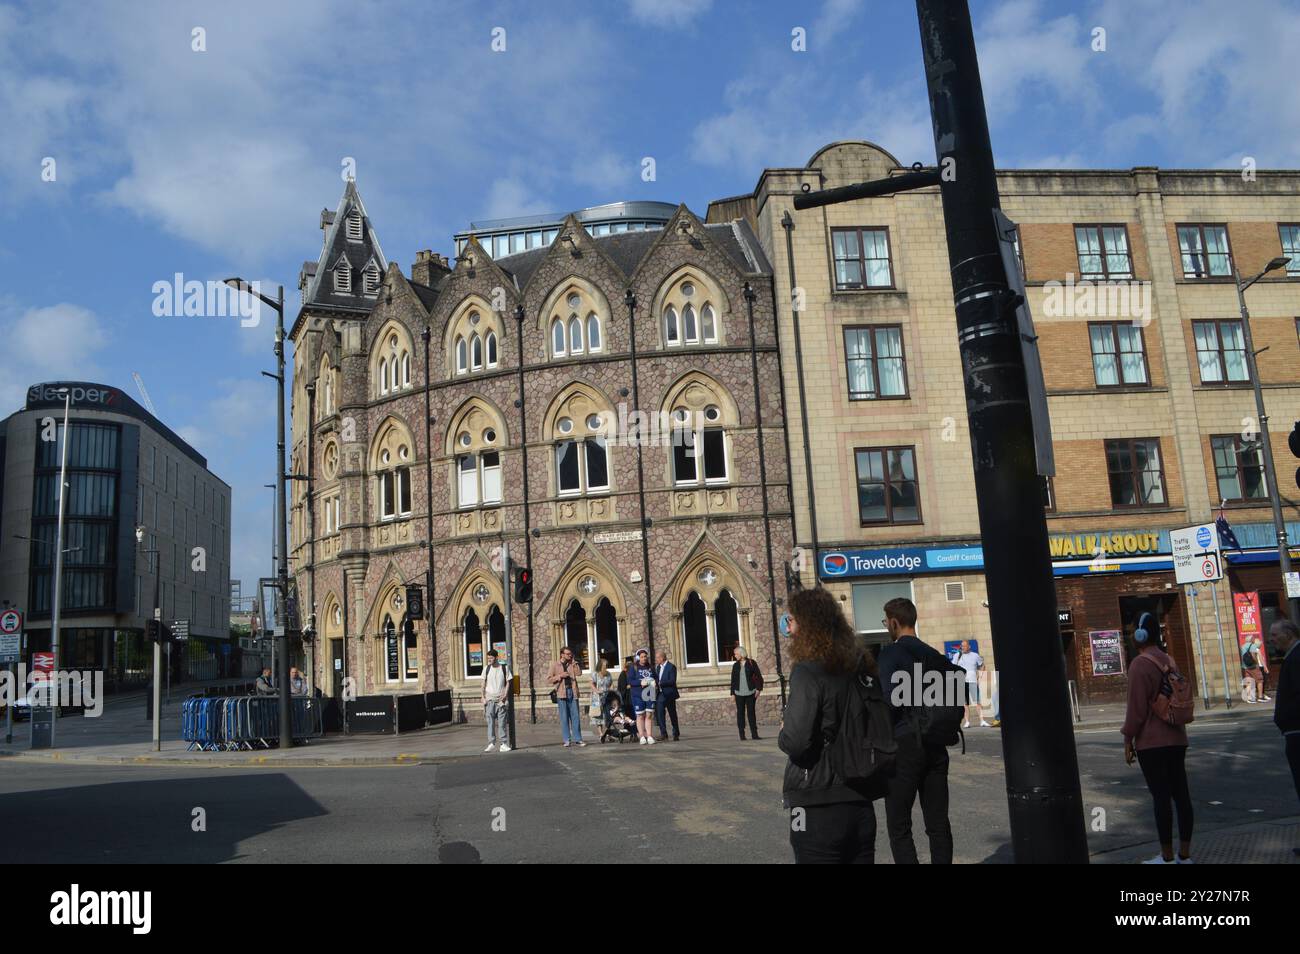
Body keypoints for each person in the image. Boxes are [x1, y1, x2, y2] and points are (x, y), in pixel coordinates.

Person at [779, 586, 884, 863]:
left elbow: (797, 741)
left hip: (815, 801)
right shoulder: (861, 667)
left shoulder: (807, 671)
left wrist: (783, 733)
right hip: (860, 799)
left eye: (791, 620)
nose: (788, 628)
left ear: (807, 624)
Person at [877, 597, 955, 865]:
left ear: (894, 622)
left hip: (904, 745)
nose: (886, 626)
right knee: (938, 823)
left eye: (886, 621)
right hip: (936, 743)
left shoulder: (890, 654)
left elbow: (888, 702)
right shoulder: (935, 655)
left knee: (899, 824)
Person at [1121, 611, 1193, 864]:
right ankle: (1185, 855)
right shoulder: (1169, 660)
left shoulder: (1139, 664)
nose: (1131, 635)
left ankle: (1167, 857)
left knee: (1161, 798)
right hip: (1177, 738)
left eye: (1133, 630)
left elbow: (1136, 710)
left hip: (1152, 742)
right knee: (1181, 796)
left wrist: (1128, 739)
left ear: (1141, 634)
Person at [1270, 618, 1300, 856]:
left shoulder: (1296, 658)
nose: (1272, 640)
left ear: (1288, 634)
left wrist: (1287, 719)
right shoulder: (1292, 656)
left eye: (1274, 635)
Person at [548, 646, 586, 747]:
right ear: (562, 654)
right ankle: (567, 740)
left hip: (572, 692)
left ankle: (578, 739)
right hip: (561, 693)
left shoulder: (572, 664)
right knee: (564, 717)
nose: (570, 655)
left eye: (570, 654)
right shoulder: (555, 665)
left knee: (575, 716)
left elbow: (579, 673)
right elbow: (549, 679)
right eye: (568, 654)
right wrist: (560, 676)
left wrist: (574, 663)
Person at [951, 640, 988, 727]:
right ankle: (967, 722)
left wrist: (980, 676)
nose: (963, 647)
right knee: (965, 704)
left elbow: (982, 665)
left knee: (978, 702)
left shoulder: (975, 655)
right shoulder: (957, 655)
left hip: (973, 681)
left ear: (969, 646)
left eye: (964, 646)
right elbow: (952, 667)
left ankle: (982, 721)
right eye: (962, 646)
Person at [730, 645, 764, 740]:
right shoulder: (735, 665)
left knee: (751, 713)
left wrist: (758, 689)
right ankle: (742, 734)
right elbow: (733, 680)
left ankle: (754, 734)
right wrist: (732, 694)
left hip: (751, 692)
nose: (735, 656)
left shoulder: (751, 663)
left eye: (736, 654)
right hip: (738, 693)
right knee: (740, 713)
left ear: (741, 654)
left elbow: (759, 677)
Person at [481, 648, 511, 753]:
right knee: (490, 723)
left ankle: (503, 744)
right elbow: (483, 683)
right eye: (488, 658)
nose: (489, 660)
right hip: (489, 699)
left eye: (491, 658)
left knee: (502, 723)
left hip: (501, 700)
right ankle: (491, 743)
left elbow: (508, 682)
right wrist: (482, 697)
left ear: (496, 657)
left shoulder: (504, 668)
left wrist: (505, 694)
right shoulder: (486, 669)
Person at [628, 648, 657, 744]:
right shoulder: (633, 667)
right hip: (638, 694)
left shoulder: (651, 667)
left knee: (649, 714)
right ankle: (641, 736)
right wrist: (640, 682)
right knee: (640, 715)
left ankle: (649, 736)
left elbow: (656, 678)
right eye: (642, 657)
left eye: (645, 657)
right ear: (638, 658)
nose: (644, 658)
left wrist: (655, 682)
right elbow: (630, 681)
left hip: (650, 692)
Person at [654, 649, 680, 741]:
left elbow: (672, 681)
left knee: (672, 714)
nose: (656, 659)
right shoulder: (658, 667)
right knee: (660, 713)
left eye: (657, 658)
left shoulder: (671, 667)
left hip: (669, 694)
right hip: (661, 694)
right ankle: (663, 734)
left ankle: (676, 733)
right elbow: (657, 679)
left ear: (662, 658)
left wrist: (661, 683)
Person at [1242, 637, 1270, 703]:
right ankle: (1260, 697)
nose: (1254, 640)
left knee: (1249, 682)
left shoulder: (1243, 646)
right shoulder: (1252, 645)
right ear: (1251, 640)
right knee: (1260, 680)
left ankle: (1249, 698)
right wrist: (1256, 663)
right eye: (1253, 639)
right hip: (1253, 666)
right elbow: (1253, 655)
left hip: (1246, 667)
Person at [590, 656, 612, 732]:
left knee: (607, 715)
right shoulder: (595, 674)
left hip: (607, 696)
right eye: (605, 665)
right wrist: (596, 691)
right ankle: (600, 733)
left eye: (606, 665)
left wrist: (611, 689)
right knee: (598, 715)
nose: (606, 667)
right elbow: (591, 684)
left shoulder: (608, 674)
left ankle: (607, 732)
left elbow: (611, 683)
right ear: (600, 666)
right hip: (597, 698)